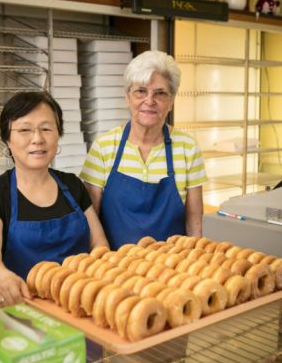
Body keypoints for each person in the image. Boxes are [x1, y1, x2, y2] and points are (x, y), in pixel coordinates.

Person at [0, 91, 108, 307]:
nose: (37, 139)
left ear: (57, 134)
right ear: (7, 139)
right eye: (25, 130)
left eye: (46, 129)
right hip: (25, 309)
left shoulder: (73, 185)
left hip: (81, 306)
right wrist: (4, 278)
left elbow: (98, 243)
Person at [80, 50, 206, 249]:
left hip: (173, 269)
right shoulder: (104, 147)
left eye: (160, 93)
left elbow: (194, 224)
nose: (149, 101)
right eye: (140, 91)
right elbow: (90, 222)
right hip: (115, 270)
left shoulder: (187, 149)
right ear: (127, 96)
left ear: (171, 100)